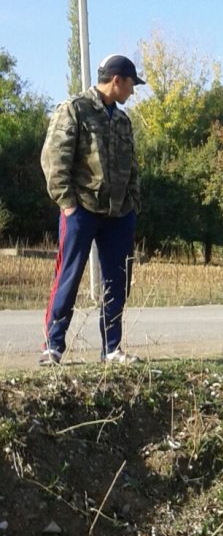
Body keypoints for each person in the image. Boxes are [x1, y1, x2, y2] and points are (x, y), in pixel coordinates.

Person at [40, 54, 145, 365]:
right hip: (82, 209)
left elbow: (133, 167)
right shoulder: (74, 109)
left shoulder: (123, 120)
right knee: (69, 275)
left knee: (117, 281)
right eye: (131, 84)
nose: (132, 91)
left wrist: (133, 204)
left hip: (119, 214)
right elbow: (54, 159)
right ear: (117, 80)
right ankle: (53, 346)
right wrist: (67, 204)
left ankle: (111, 349)